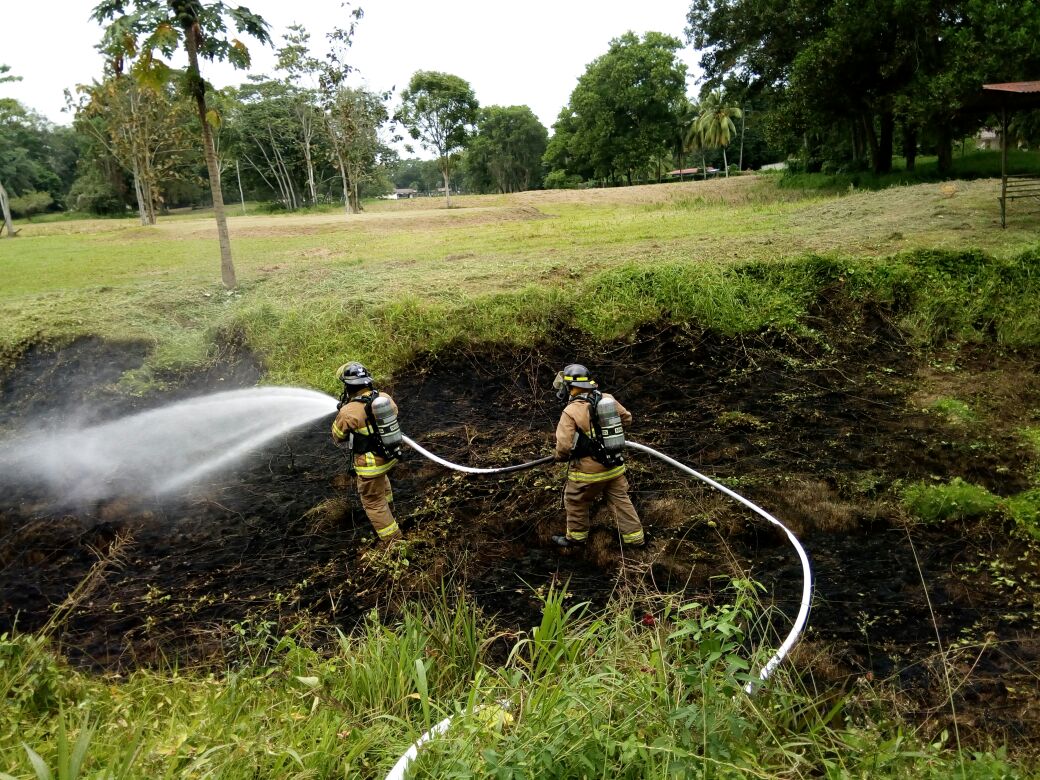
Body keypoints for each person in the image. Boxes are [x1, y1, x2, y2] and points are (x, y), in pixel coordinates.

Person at [551, 363, 644, 549]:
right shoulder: (607, 399)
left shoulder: (570, 411)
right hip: (614, 467)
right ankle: (635, 541)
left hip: (587, 474)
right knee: (621, 501)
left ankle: (576, 540)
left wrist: (558, 457)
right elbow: (627, 418)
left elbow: (564, 447)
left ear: (570, 387)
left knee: (575, 500)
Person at [330, 362, 403, 543]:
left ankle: (395, 543)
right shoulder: (384, 398)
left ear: (348, 386)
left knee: (373, 502)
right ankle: (390, 512)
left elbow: (338, 436)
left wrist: (344, 412)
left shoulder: (348, 412)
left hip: (371, 465)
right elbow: (394, 413)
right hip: (389, 455)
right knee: (382, 485)